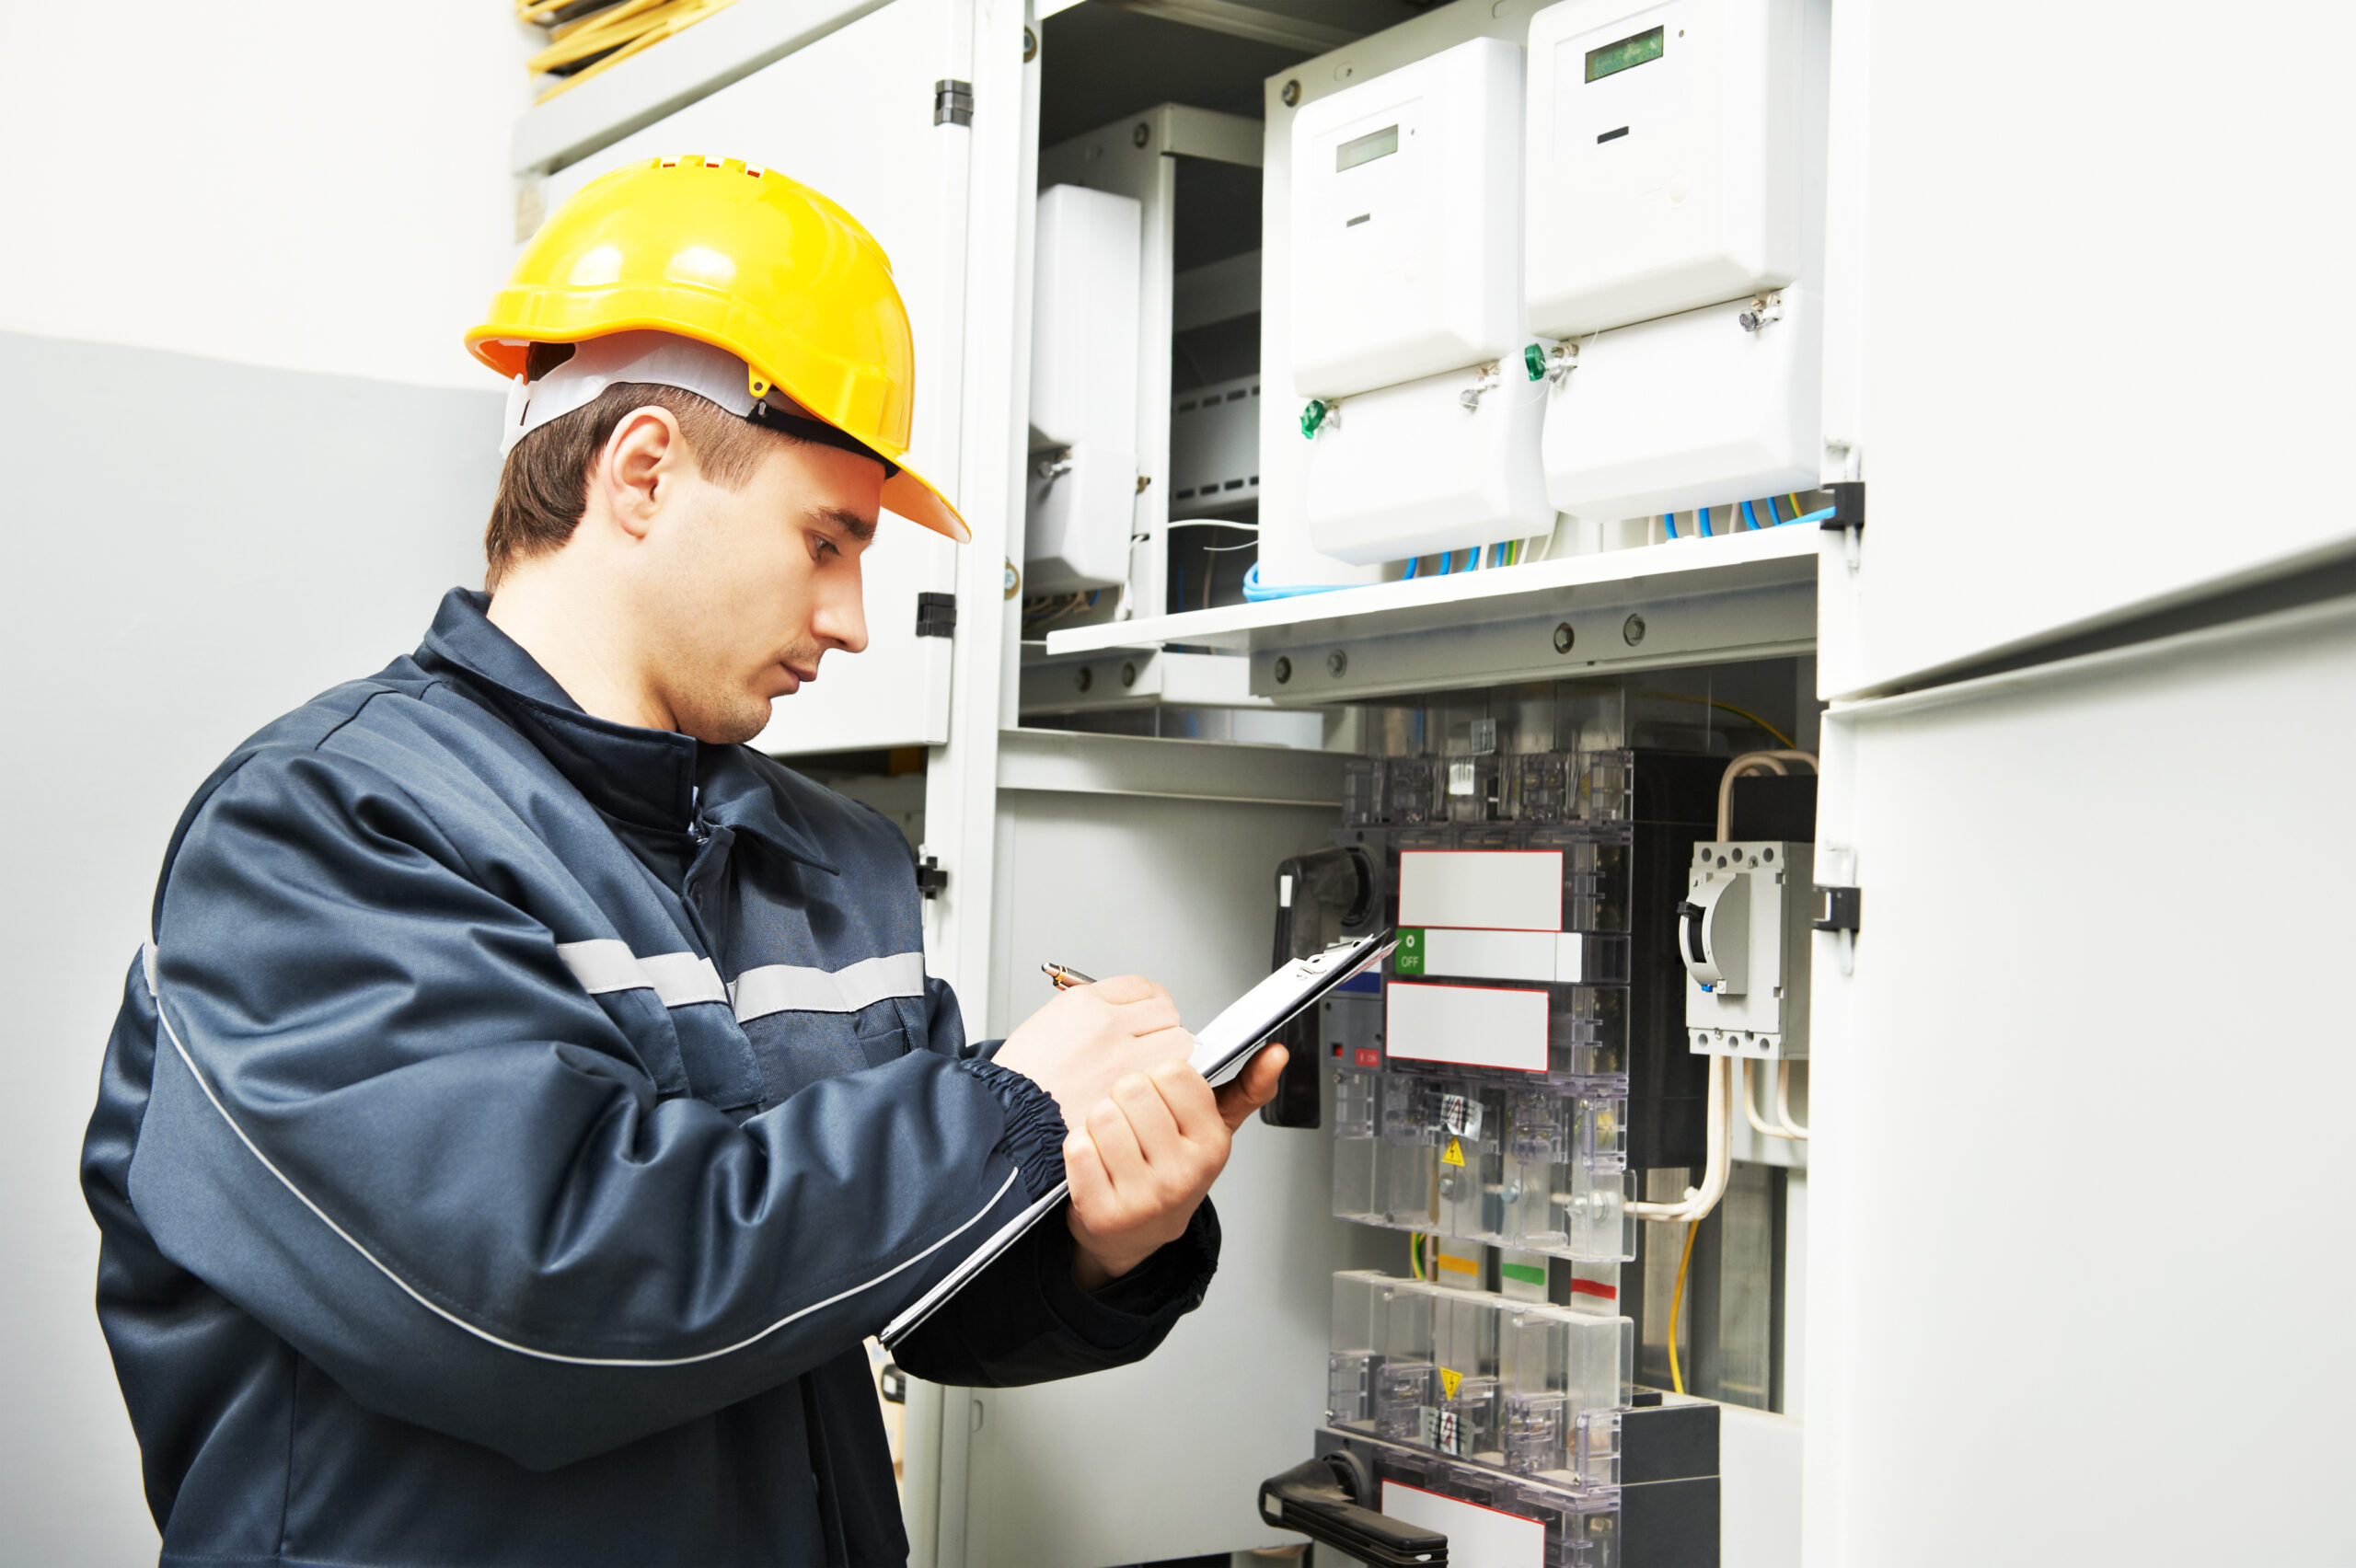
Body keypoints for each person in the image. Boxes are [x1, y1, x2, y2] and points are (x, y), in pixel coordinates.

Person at [80, 155, 1286, 1568]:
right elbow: (534, 1301)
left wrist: (1096, 1229)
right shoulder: (323, 832)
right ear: (643, 471)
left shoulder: (823, 859)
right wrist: (1002, 1119)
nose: (854, 621)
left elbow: (873, 1279)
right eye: (827, 539)